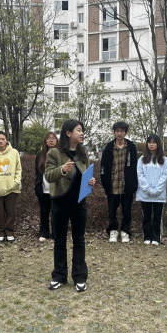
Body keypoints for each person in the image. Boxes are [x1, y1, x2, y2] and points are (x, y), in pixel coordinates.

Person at [45, 120, 95, 292]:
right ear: (68, 133)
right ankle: (58, 275)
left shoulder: (83, 153)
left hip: (79, 202)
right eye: (78, 130)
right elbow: (48, 176)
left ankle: (80, 277)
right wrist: (62, 169)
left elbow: (86, 174)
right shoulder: (54, 152)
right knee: (59, 240)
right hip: (60, 201)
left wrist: (90, 181)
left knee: (79, 240)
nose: (82, 133)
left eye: (82, 131)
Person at [100, 121, 138, 243]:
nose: (119, 133)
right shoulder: (108, 148)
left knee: (127, 211)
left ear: (125, 133)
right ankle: (113, 230)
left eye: (121, 131)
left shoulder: (131, 147)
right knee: (112, 211)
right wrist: (105, 183)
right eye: (117, 131)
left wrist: (134, 184)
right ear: (114, 132)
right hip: (113, 184)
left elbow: (135, 167)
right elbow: (103, 167)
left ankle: (125, 231)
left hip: (127, 185)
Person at [0, 131, 21, 242]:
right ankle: (0, 232)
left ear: (6, 140)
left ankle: (9, 232)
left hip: (12, 186)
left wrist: (16, 181)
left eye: (3, 139)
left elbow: (18, 168)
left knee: (11, 212)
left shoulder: (14, 152)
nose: (1, 141)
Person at [136, 134, 167, 246]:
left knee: (157, 216)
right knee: (146, 216)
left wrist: (157, 190)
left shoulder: (164, 160)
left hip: (159, 194)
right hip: (145, 194)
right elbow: (140, 175)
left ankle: (156, 237)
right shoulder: (142, 159)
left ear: (158, 144)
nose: (151, 145)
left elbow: (164, 176)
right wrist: (147, 189)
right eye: (149, 142)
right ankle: (147, 236)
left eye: (154, 142)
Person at [35, 132, 58, 242]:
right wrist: (38, 185)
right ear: (45, 141)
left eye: (53, 138)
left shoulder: (60, 154)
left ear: (57, 141)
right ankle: (44, 233)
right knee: (44, 212)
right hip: (44, 187)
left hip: (56, 188)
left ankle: (56, 232)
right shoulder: (40, 155)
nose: (51, 140)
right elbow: (37, 172)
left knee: (56, 212)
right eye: (49, 138)